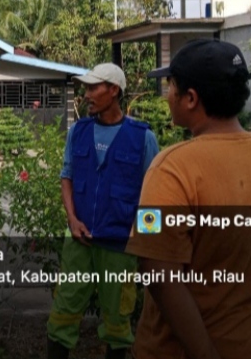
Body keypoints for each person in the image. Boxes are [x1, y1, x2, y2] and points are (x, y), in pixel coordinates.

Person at [126, 39, 251, 359]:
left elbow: (155, 270)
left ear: (190, 98)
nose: (167, 95)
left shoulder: (170, 169)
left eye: (171, 86)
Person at [47, 63, 159, 359]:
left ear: (114, 90)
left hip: (119, 246)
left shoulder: (143, 138)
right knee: (62, 314)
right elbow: (66, 177)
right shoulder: (78, 132)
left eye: (93, 88)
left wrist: (145, 240)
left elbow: (154, 195)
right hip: (79, 241)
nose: (86, 94)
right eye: (85, 88)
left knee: (117, 322)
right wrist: (72, 220)